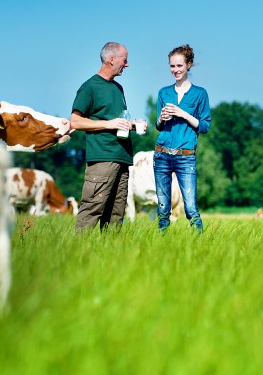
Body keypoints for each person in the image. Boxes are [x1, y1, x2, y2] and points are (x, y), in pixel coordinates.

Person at [71, 41, 144, 232]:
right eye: (124, 60)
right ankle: (76, 253)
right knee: (93, 208)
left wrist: (133, 125)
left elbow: (118, 121)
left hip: (122, 157)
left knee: (116, 215)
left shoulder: (118, 88)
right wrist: (108, 124)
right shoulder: (89, 87)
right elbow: (75, 122)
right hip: (102, 158)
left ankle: (110, 257)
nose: (127, 64)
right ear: (111, 60)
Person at [154, 44, 212, 232]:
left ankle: (201, 243)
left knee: (190, 208)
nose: (175, 70)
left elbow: (205, 126)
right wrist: (161, 119)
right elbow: (158, 126)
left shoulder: (200, 94)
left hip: (185, 156)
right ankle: (163, 245)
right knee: (163, 209)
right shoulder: (164, 92)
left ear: (189, 65)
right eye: (172, 66)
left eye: (179, 66)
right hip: (161, 155)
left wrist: (183, 113)